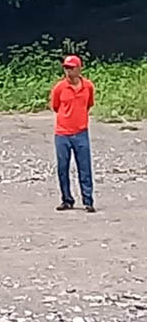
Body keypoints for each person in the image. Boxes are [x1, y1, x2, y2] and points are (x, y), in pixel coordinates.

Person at [50, 55, 96, 213]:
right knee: (63, 168)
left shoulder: (88, 86)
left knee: (85, 167)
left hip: (81, 131)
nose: (68, 71)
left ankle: (88, 200)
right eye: (66, 68)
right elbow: (55, 106)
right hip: (62, 133)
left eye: (71, 68)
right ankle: (66, 199)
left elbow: (89, 104)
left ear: (78, 68)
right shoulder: (59, 88)